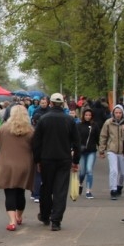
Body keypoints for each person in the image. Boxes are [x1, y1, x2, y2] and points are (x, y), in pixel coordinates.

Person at [31, 93, 79, 231]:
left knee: (46, 187)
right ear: (62, 103)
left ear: (51, 103)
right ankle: (56, 220)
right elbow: (77, 142)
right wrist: (76, 160)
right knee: (60, 189)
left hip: (47, 159)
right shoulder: (69, 120)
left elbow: (36, 142)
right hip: (64, 158)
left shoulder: (43, 119)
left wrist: (37, 160)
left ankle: (45, 215)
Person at [0, 105, 36, 232]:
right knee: (20, 192)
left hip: (6, 165)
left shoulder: (4, 128)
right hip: (24, 165)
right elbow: (36, 147)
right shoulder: (30, 130)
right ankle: (19, 216)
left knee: (9, 193)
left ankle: (12, 221)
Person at [98, 104, 124, 200]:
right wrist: (101, 150)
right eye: (116, 113)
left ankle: (119, 186)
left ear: (123, 113)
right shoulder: (108, 123)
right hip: (112, 150)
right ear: (113, 113)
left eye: (120, 113)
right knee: (114, 170)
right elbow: (103, 136)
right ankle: (113, 190)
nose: (118, 114)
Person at [76, 107, 100, 199]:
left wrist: (101, 149)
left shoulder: (95, 126)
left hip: (91, 151)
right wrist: (74, 149)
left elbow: (98, 138)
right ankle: (80, 183)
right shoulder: (78, 126)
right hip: (81, 152)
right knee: (82, 172)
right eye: (86, 115)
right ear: (83, 116)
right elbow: (76, 139)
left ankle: (88, 190)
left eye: (89, 115)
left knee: (89, 170)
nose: (88, 117)